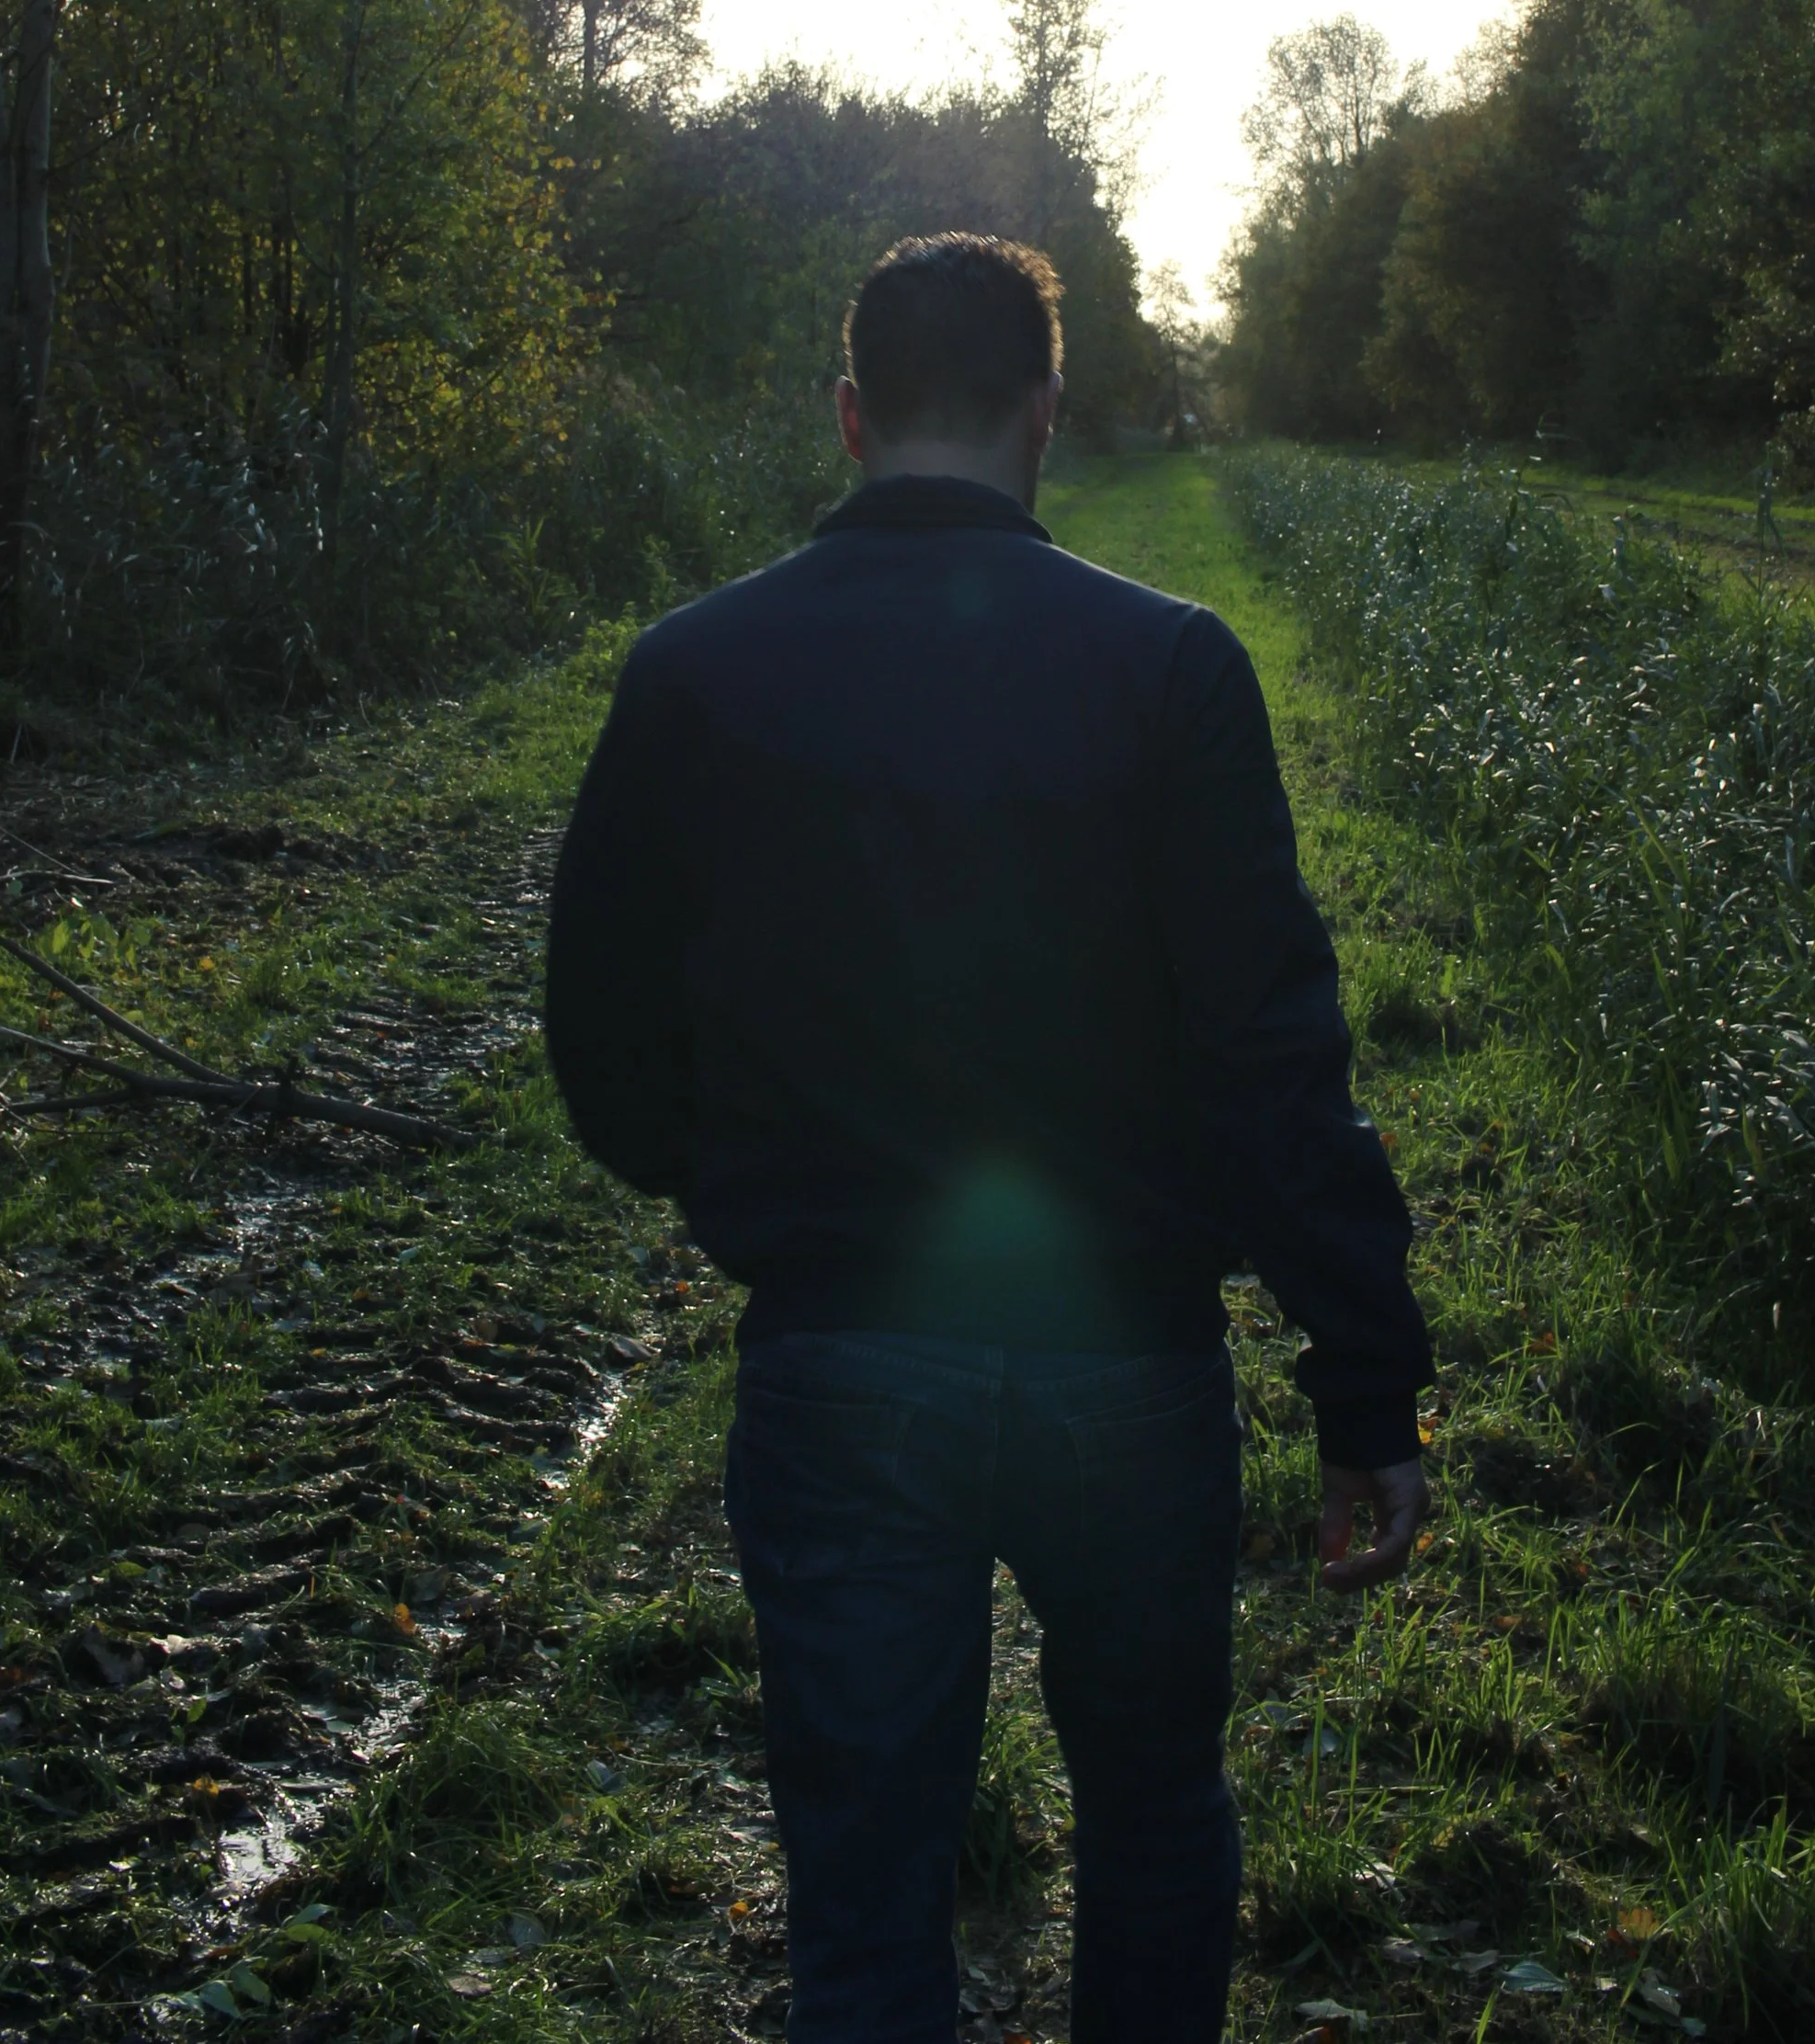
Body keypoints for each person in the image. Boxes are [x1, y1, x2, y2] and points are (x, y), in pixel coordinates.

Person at [544, 233, 1434, 2044]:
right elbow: (1271, 1057)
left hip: (837, 1360)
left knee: (865, 1891)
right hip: (1131, 1370)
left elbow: (601, 1039)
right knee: (1155, 1822)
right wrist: (1363, 1380)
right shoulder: (1171, 669)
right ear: (1046, 412)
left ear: (850, 414)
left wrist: (745, 1191)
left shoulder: (693, 670)